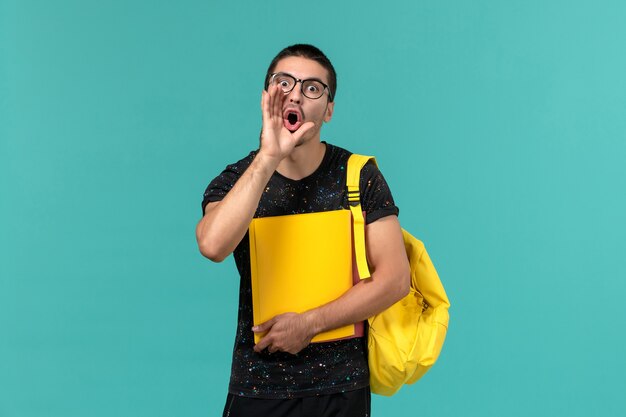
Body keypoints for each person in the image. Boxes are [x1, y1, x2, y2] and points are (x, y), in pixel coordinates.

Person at [196, 44, 410, 417]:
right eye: (284, 83)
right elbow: (212, 245)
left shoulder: (359, 176)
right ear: (267, 97)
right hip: (258, 385)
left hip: (341, 389)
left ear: (328, 109)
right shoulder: (239, 179)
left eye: (312, 87)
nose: (295, 93)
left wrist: (310, 324)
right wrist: (268, 157)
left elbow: (394, 279)